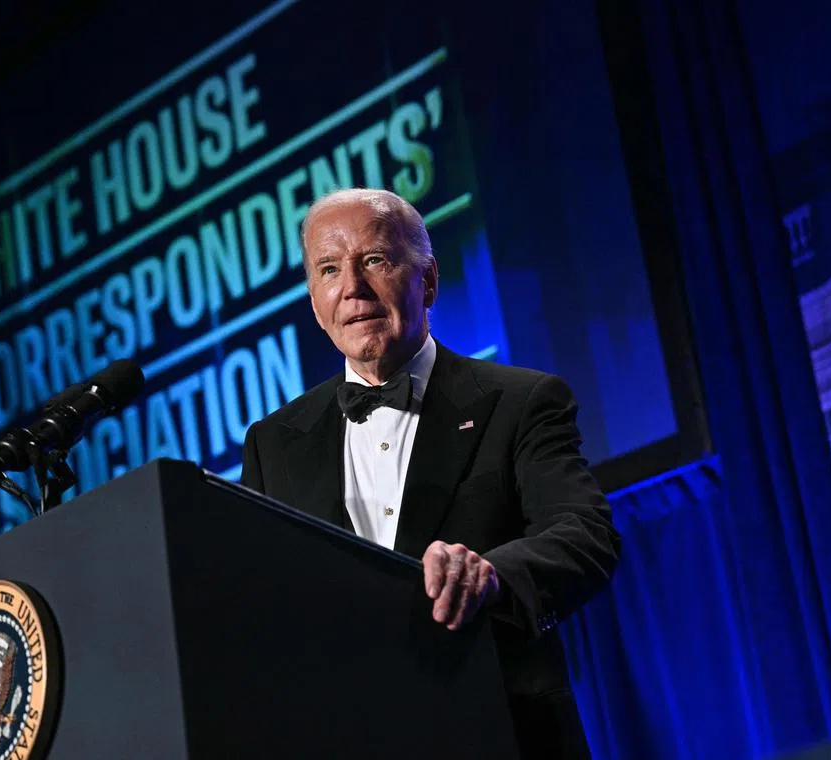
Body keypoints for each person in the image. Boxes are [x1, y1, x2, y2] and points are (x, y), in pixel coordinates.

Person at [239, 187, 621, 759]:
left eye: (374, 260)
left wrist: (491, 575)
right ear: (316, 303)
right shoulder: (273, 444)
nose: (353, 288)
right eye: (329, 269)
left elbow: (586, 535)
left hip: (501, 734)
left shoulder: (520, 401)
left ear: (430, 280)